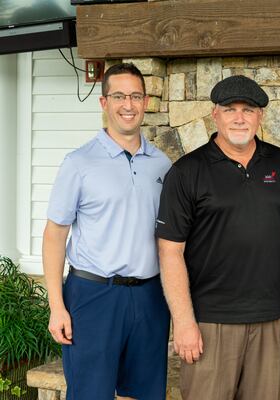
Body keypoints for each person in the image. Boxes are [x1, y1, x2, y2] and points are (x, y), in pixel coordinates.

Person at [156, 75, 280, 400]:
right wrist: (184, 322)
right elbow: (169, 252)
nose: (239, 118)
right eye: (230, 109)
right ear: (214, 114)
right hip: (210, 324)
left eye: (248, 110)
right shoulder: (187, 172)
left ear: (260, 116)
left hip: (271, 322)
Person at [43, 63, 172, 400]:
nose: (127, 105)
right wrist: (56, 306)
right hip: (93, 295)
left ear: (145, 102)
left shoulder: (162, 164)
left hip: (149, 296)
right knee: (90, 393)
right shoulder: (79, 163)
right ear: (104, 103)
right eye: (118, 96)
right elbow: (54, 235)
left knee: (144, 393)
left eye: (135, 96)